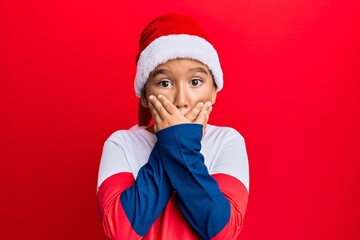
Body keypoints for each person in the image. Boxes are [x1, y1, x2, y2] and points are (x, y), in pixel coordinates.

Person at [97, 13, 249, 240]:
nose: (181, 99)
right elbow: (121, 232)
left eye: (195, 82)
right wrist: (174, 140)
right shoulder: (121, 143)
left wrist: (183, 145)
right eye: (164, 83)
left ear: (214, 91)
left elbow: (222, 232)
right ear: (145, 95)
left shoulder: (227, 141)